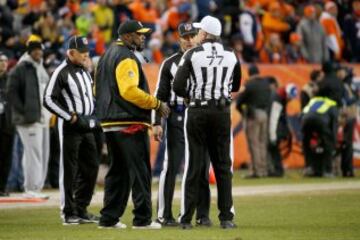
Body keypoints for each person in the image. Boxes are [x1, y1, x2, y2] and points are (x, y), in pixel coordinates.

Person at [95, 20, 170, 229]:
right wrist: (155, 103)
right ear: (127, 36)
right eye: (139, 34)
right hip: (129, 122)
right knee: (140, 173)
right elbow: (129, 91)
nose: (143, 37)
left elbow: (96, 90)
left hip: (110, 123)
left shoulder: (106, 55)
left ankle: (108, 219)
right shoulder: (125, 56)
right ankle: (142, 219)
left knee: (117, 173)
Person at [173, 15, 241, 229]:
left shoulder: (193, 53)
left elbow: (177, 85)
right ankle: (226, 218)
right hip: (221, 112)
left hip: (198, 111)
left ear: (204, 33)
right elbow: (236, 85)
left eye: (199, 31)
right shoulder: (231, 54)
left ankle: (186, 219)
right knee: (222, 166)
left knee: (195, 164)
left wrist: (190, 95)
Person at [153, 23, 211, 227]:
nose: (188, 39)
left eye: (192, 35)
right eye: (184, 36)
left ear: (198, 37)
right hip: (177, 117)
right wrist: (156, 123)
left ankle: (202, 215)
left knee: (201, 166)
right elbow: (159, 97)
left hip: (199, 116)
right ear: (179, 39)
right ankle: (164, 214)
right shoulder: (170, 63)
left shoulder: (206, 59)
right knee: (171, 166)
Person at [44, 36, 100, 225]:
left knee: (91, 166)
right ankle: (68, 212)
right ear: (71, 52)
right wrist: (69, 116)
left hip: (87, 125)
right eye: (83, 52)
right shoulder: (61, 71)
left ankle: (81, 208)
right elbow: (49, 99)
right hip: (70, 127)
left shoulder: (84, 70)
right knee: (69, 169)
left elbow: (88, 96)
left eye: (87, 51)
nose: (86, 55)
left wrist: (93, 115)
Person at [7, 38, 50, 199]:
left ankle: (31, 187)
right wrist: (24, 111)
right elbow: (11, 91)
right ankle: (32, 188)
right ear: (30, 51)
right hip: (28, 119)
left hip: (39, 118)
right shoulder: (21, 68)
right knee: (34, 153)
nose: (39, 53)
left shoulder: (38, 67)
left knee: (32, 153)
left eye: (40, 50)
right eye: (36, 50)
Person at [236, 65, 272, 178]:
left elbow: (239, 103)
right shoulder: (266, 84)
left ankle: (256, 171)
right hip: (265, 114)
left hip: (253, 115)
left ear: (250, 74)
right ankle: (264, 169)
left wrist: (243, 113)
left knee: (254, 144)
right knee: (262, 143)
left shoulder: (249, 85)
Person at [302, 96, 338, 177]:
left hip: (306, 119)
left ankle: (309, 167)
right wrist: (334, 142)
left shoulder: (314, 100)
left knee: (306, 142)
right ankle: (327, 171)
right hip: (321, 121)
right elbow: (334, 126)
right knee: (328, 143)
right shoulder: (332, 104)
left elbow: (302, 113)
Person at [268, 83, 298, 177]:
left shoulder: (280, 97)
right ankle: (277, 170)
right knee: (273, 148)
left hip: (277, 126)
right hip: (274, 127)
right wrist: (273, 136)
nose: (290, 100)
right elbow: (273, 118)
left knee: (274, 149)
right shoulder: (277, 99)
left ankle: (277, 170)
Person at [0, 52, 14, 196]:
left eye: (5, 61)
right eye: (1, 61)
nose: (3, 63)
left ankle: (3, 187)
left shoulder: (10, 80)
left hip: (8, 123)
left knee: (7, 157)